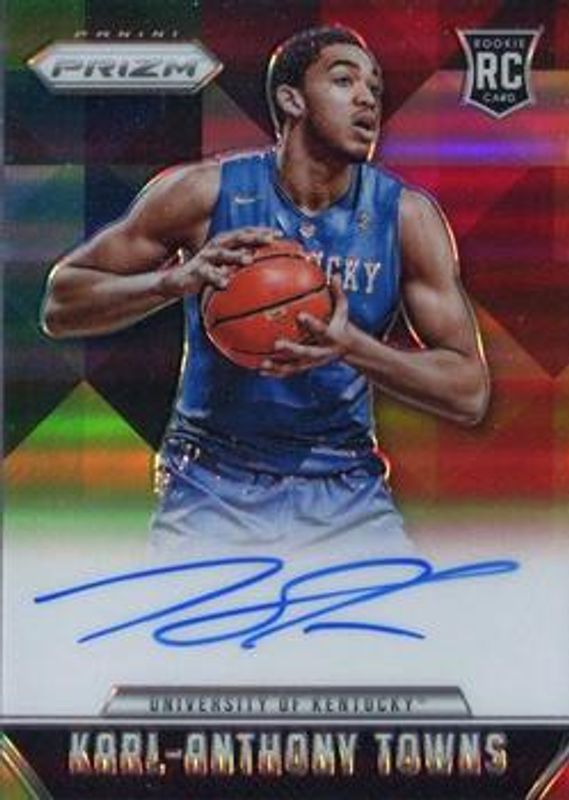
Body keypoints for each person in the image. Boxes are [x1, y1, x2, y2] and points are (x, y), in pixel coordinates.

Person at [41, 26, 489, 556]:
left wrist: (352, 346)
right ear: (291, 99)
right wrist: (171, 281)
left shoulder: (406, 218)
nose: (367, 98)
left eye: (374, 87)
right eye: (344, 80)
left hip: (345, 485)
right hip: (211, 483)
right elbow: (61, 303)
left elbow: (469, 391)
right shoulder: (203, 193)